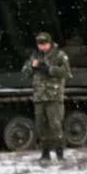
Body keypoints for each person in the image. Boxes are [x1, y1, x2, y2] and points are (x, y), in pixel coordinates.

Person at [26, 31, 70, 161]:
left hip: (53, 96)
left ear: (50, 43)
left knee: (55, 126)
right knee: (41, 126)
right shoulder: (35, 55)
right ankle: (45, 154)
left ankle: (60, 154)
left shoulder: (59, 55)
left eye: (44, 44)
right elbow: (25, 72)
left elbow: (66, 72)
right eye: (40, 44)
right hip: (39, 97)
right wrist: (32, 67)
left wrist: (48, 69)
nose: (42, 47)